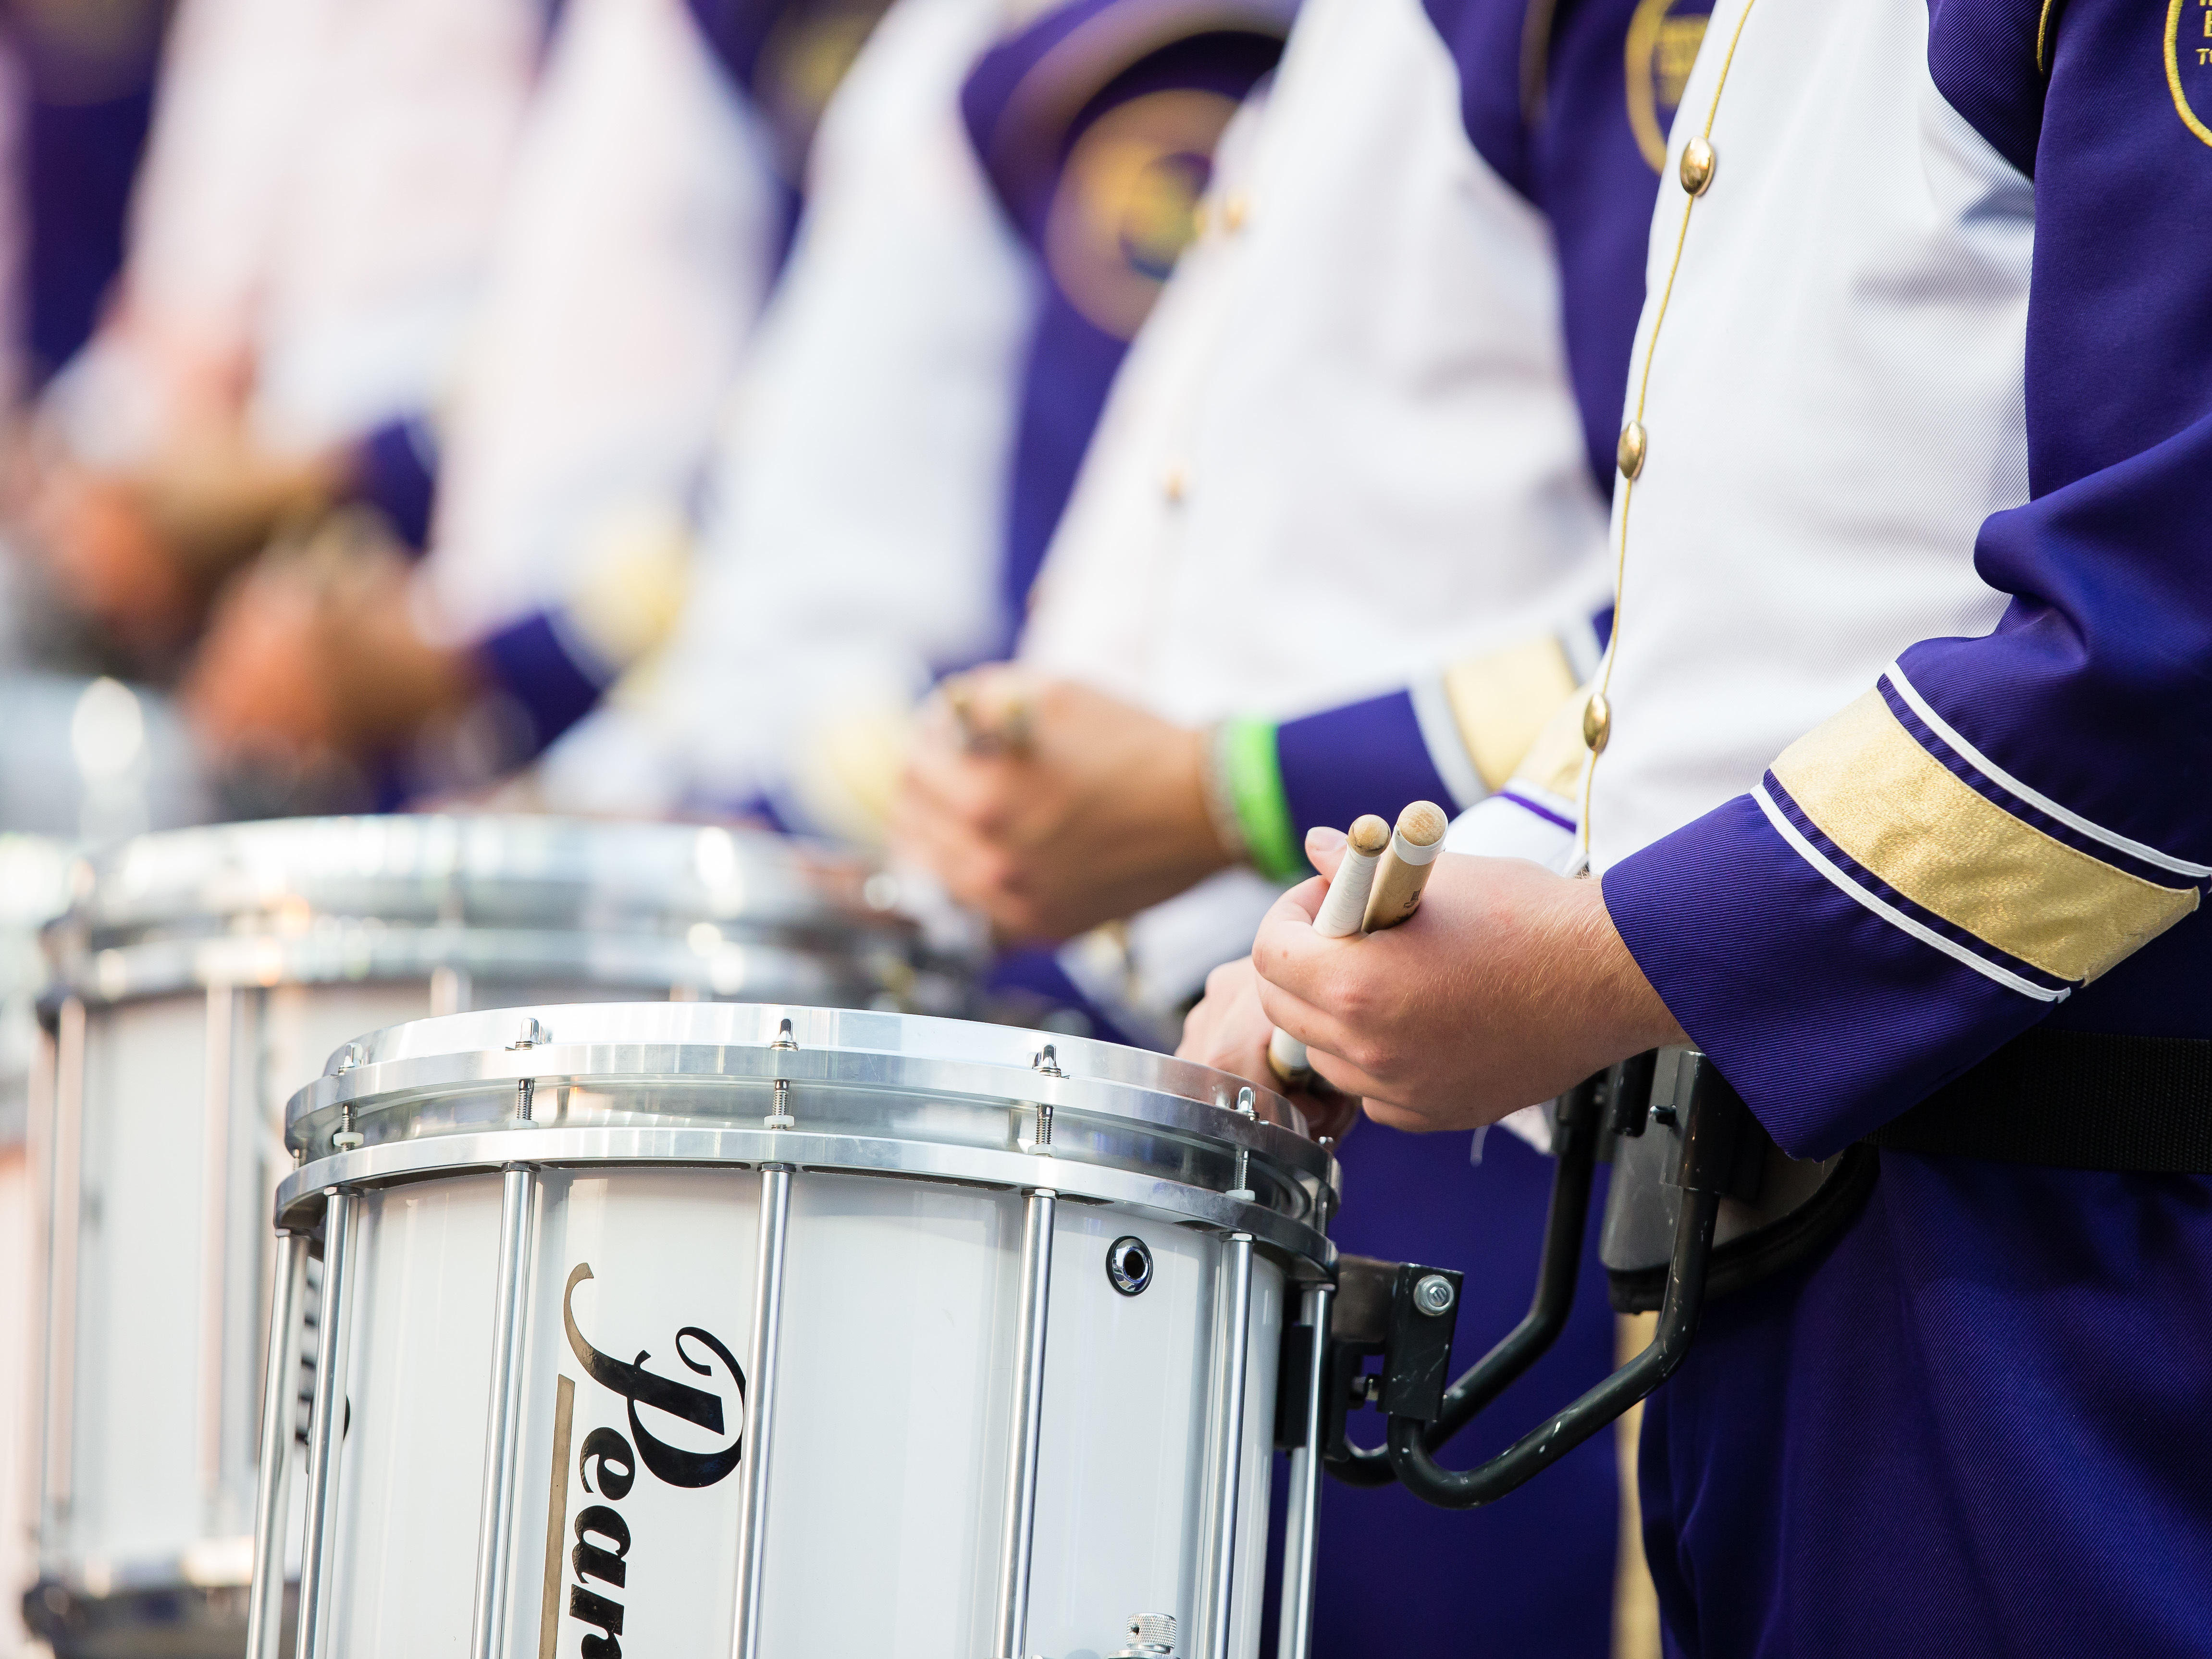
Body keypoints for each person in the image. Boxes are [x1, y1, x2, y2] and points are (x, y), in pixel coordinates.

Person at [1192, 0, 2212, 1650]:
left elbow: (2173, 639)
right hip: (1803, 1239)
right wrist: (1445, 900)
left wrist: (1597, 962)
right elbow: (1763, 625)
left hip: (2082, 1266)